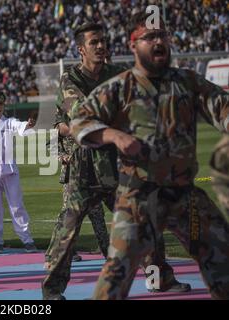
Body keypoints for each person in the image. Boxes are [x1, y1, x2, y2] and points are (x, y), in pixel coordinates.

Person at [70, 12, 229, 300]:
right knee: (113, 279)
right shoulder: (121, 86)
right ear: (134, 45)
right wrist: (114, 135)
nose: (159, 42)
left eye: (163, 36)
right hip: (138, 200)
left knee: (221, 254)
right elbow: (80, 121)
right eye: (149, 37)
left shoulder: (187, 82)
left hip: (184, 199)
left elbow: (223, 108)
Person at [43, 22, 190, 300]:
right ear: (81, 50)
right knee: (67, 232)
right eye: (94, 42)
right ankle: (51, 292)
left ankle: (160, 279)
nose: (101, 46)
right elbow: (83, 113)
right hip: (84, 170)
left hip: (117, 167)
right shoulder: (69, 80)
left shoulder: (116, 74)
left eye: (103, 41)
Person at [0, 91, 37, 253]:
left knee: (16, 205)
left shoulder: (9, 122)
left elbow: (20, 126)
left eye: (1, 104)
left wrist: (28, 124)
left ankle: (27, 239)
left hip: (10, 169)